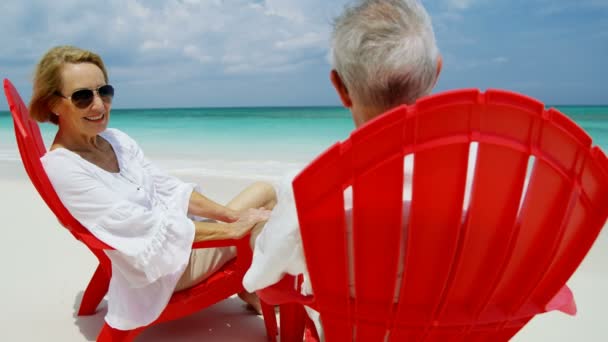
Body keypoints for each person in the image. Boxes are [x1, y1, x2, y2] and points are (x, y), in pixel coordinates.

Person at [30, 45, 276, 331]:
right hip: (159, 270)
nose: (99, 105)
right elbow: (147, 229)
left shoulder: (115, 140)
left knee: (265, 192)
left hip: (175, 247)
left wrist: (230, 216)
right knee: (268, 225)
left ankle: (251, 286)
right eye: (83, 97)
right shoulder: (65, 168)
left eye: (104, 92)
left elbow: (169, 188)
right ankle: (271, 295)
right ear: (53, 104)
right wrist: (231, 231)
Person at [242, 0, 442, 337]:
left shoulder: (312, 191)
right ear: (436, 72)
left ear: (340, 88)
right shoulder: (488, 185)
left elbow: (260, 280)